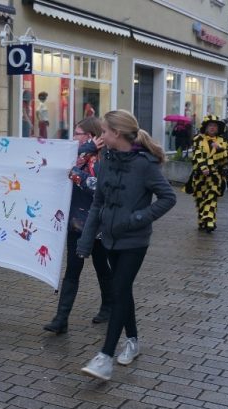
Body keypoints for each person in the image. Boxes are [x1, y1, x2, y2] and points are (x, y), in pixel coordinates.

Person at [77, 110, 177, 381]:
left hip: (134, 240)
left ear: (117, 134)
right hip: (110, 238)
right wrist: (86, 241)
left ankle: (105, 357)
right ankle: (132, 340)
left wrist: (138, 217)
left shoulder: (144, 164)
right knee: (123, 290)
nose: (101, 136)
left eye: (104, 132)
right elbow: (98, 203)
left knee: (119, 288)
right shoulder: (106, 160)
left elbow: (168, 197)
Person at [43, 117, 113, 334]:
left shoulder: (103, 158)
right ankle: (61, 319)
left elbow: (96, 186)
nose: (73, 137)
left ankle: (108, 306)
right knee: (73, 270)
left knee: (102, 267)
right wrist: (85, 150)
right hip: (76, 224)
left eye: (78, 133)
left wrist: (75, 174)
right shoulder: (80, 154)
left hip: (97, 224)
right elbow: (59, 163)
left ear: (90, 135)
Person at [184, 115, 228, 233]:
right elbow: (198, 155)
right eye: (210, 125)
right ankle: (202, 220)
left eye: (215, 126)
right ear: (205, 127)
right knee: (200, 199)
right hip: (199, 175)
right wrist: (204, 167)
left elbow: (226, 159)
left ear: (218, 128)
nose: (212, 128)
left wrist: (219, 149)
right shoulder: (198, 139)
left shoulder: (222, 141)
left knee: (211, 197)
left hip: (215, 176)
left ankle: (210, 221)